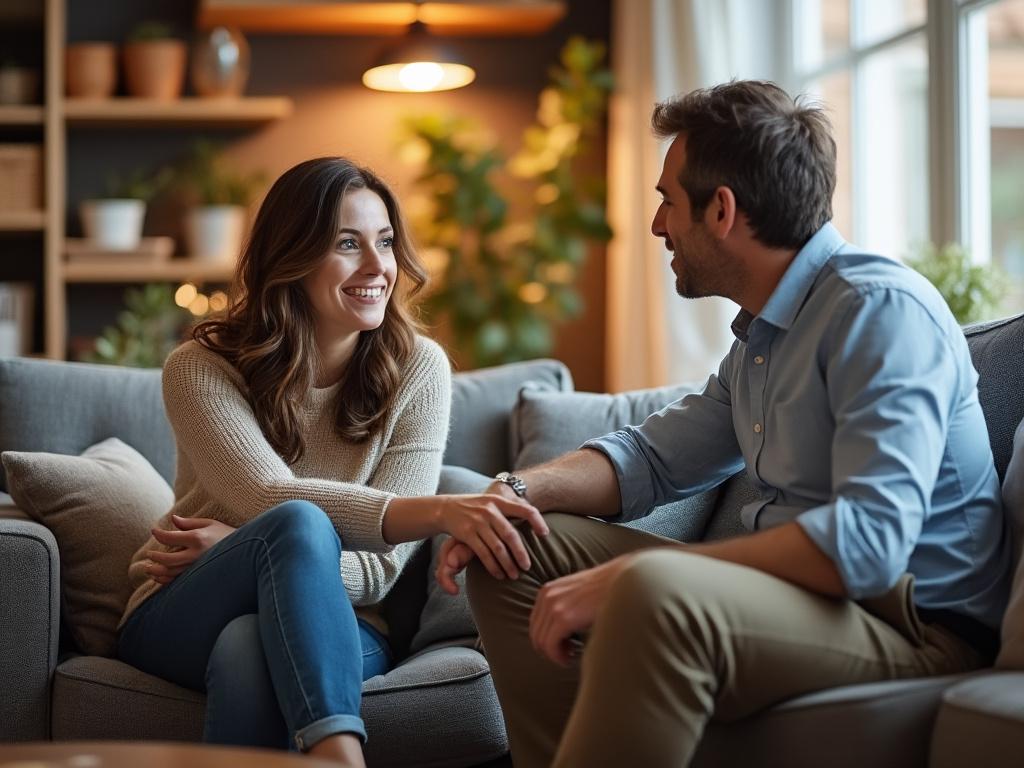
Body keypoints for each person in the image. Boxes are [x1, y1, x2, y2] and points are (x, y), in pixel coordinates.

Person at [436, 80, 1013, 767]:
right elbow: (651, 459)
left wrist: (632, 580)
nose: (656, 227)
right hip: (801, 599)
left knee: (655, 593)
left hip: (910, 624)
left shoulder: (879, 312)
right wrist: (513, 493)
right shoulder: (764, 338)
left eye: (666, 202)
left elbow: (868, 544)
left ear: (722, 210)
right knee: (515, 551)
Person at [116, 157, 546, 768]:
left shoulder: (420, 370)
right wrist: (438, 511)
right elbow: (269, 494)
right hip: (181, 603)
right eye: (348, 244)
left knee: (248, 643)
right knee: (296, 523)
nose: (378, 268)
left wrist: (253, 555)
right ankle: (342, 756)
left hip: (346, 622)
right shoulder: (200, 368)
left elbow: (380, 571)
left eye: (387, 243)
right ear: (291, 257)